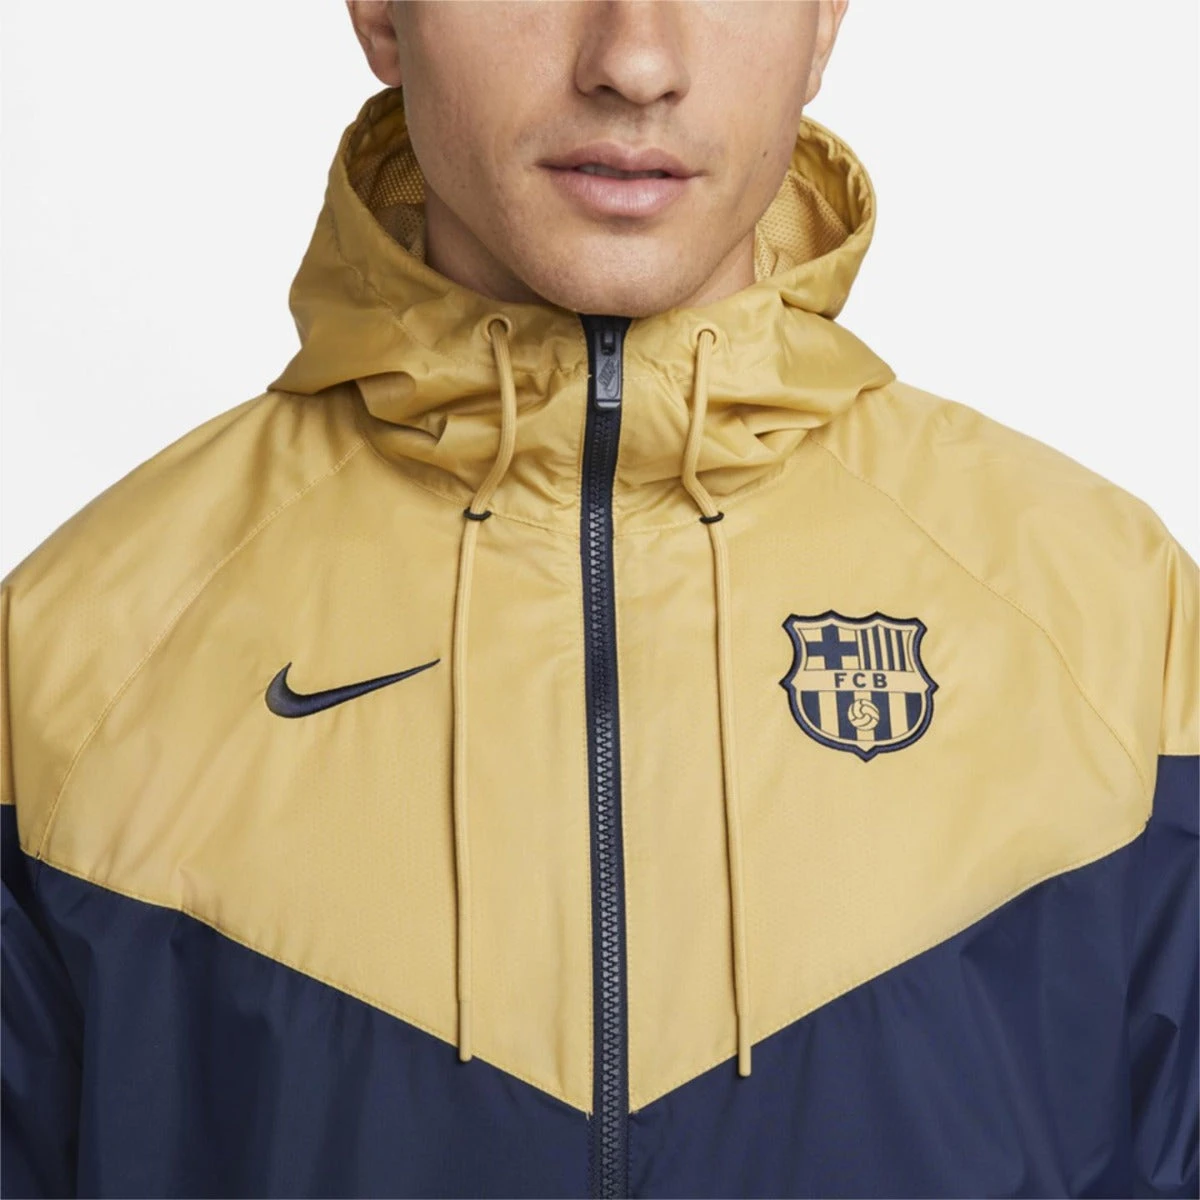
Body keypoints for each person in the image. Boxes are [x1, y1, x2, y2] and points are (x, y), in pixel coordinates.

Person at [2, 1, 1195, 1196]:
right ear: (380, 12)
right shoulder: (74, 657)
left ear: (824, 21)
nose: (634, 61)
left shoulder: (1114, 623)